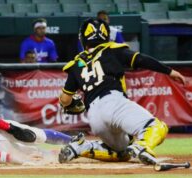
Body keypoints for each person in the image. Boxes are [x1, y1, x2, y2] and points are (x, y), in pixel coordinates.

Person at [58, 18, 185, 165]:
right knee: (156, 127)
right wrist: (169, 71)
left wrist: (68, 103)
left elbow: (65, 100)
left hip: (94, 116)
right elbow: (140, 59)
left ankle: (80, 148)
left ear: (83, 38)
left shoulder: (76, 63)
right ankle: (142, 147)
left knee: (122, 152)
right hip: (113, 102)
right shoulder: (111, 49)